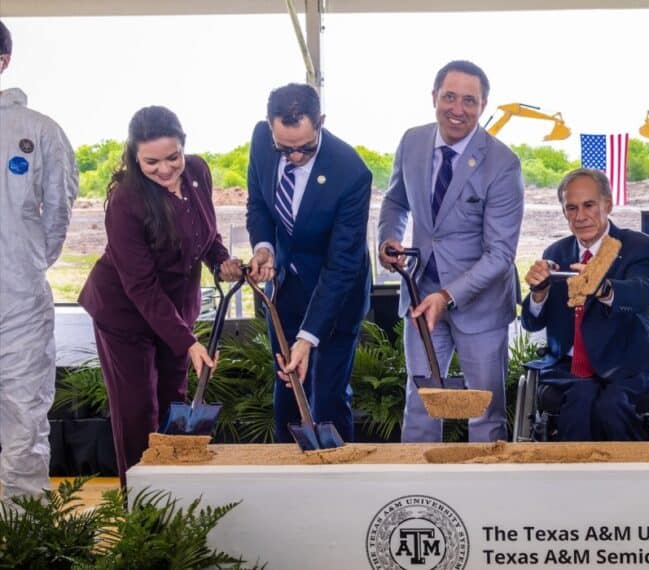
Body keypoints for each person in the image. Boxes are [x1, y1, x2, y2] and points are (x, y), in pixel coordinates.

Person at [78, 106, 239, 486]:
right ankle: (140, 504)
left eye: (173, 157)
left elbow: (205, 235)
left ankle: (173, 492)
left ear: (184, 148)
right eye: (151, 162)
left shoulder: (198, 172)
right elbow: (141, 286)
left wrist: (222, 262)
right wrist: (187, 342)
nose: (165, 169)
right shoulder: (126, 200)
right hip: (125, 314)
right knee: (137, 411)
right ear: (134, 156)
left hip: (175, 311)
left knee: (174, 401)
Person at [378, 60, 524, 443]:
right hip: (419, 296)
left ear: (484, 104)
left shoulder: (503, 163)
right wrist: (387, 239)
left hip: (481, 305)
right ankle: (419, 494)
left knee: (485, 411)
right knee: (422, 402)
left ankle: (486, 498)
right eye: (450, 97)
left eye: (470, 101)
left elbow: (500, 254)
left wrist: (446, 296)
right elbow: (395, 202)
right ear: (434, 97)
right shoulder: (411, 142)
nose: (458, 109)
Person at [246, 83, 372, 444]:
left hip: (336, 296)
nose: (295, 157)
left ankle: (337, 483)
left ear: (321, 123)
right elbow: (258, 203)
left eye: (305, 148)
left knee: (327, 396)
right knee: (286, 393)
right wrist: (265, 248)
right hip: (286, 292)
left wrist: (307, 338)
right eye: (285, 148)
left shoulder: (351, 172)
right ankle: (288, 482)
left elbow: (343, 264)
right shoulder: (261, 140)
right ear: (270, 127)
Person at [521, 168, 649, 441]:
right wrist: (539, 292)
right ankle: (575, 479)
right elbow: (531, 322)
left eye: (589, 205)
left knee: (611, 406)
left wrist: (603, 288)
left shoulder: (639, 247)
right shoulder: (556, 253)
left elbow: (643, 294)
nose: (580, 216)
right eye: (571, 208)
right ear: (564, 212)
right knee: (580, 401)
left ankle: (629, 476)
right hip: (568, 367)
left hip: (624, 366)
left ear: (607, 204)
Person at [0, 20, 78, 499]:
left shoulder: (39, 132)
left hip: (18, 300)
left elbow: (59, 215)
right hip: (19, 285)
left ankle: (25, 533)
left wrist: (25, 266)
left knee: (25, 413)